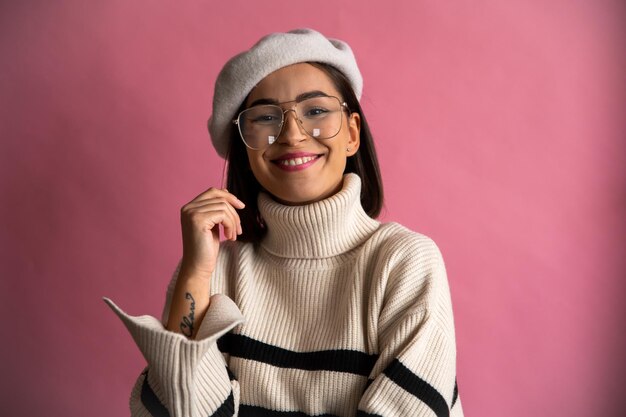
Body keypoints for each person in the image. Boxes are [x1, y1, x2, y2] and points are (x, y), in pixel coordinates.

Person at [105, 28, 463, 417]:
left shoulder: (404, 263)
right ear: (245, 147)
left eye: (316, 111)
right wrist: (195, 272)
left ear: (352, 134)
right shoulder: (213, 271)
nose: (291, 134)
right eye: (265, 118)